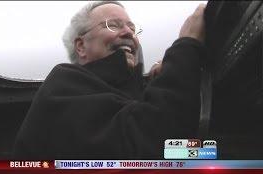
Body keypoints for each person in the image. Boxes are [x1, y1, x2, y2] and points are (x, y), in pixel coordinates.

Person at [13, 1, 206, 159]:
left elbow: (186, 152)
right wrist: (186, 47)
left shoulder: (134, 94)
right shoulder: (63, 87)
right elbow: (156, 145)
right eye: (113, 25)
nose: (129, 33)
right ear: (81, 46)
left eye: (132, 27)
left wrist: (162, 80)